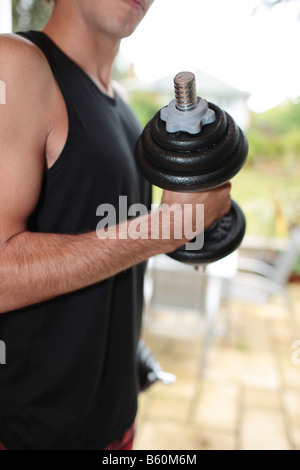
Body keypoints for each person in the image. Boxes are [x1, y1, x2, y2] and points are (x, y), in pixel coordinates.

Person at [0, 0, 231, 450]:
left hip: (117, 423)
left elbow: (112, 254)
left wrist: (125, 352)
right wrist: (166, 228)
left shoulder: (122, 106)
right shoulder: (16, 64)